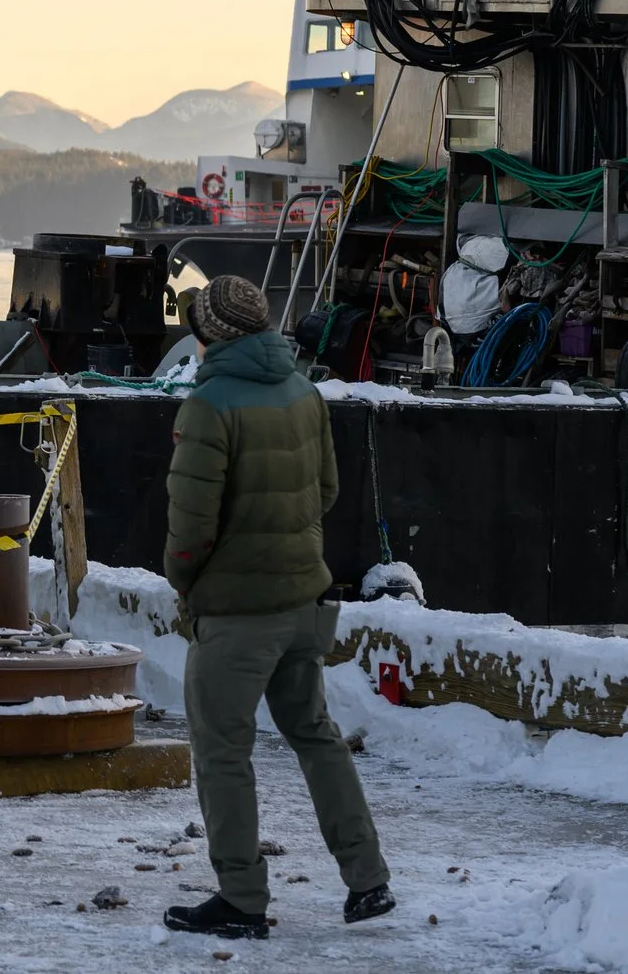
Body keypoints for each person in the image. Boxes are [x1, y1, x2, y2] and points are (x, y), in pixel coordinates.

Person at [164, 273, 392, 940]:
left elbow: (189, 528)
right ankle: (368, 879)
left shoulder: (207, 407)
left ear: (208, 334)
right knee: (315, 734)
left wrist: (186, 580)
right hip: (305, 602)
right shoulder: (303, 390)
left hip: (237, 614)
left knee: (222, 751)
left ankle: (241, 897)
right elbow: (325, 491)